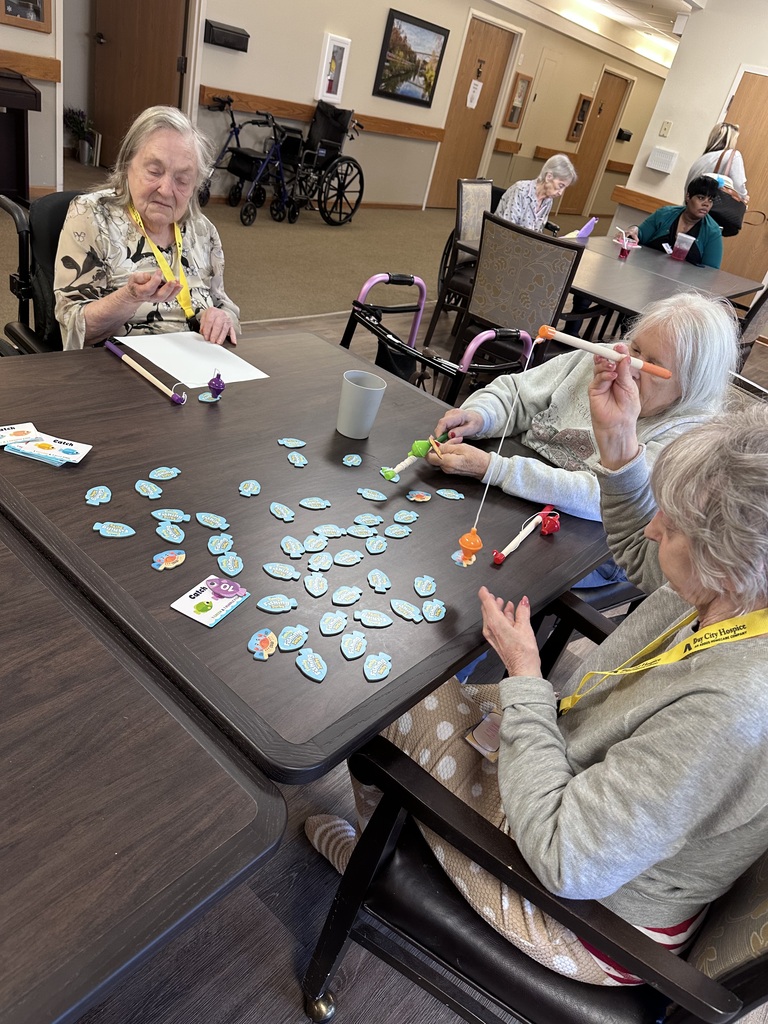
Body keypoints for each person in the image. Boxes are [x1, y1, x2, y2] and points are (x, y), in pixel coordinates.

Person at [305, 356, 768, 987]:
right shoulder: (739, 593)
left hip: (591, 921)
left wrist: (525, 676)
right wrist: (620, 446)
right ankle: (391, 831)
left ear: (731, 563)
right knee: (409, 686)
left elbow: (565, 859)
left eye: (676, 524)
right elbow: (642, 555)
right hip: (585, 785)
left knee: (379, 710)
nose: (655, 526)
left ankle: (368, 855)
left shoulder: (731, 709)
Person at [54, 106, 240, 351]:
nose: (166, 189)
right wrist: (129, 297)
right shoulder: (91, 216)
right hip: (120, 363)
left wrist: (221, 318)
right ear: (126, 166)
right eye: (154, 172)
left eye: (182, 180)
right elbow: (76, 329)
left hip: (195, 360)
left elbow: (224, 305)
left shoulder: (203, 231)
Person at [622, 175, 723, 268]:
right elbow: (639, 234)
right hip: (648, 272)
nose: (706, 204)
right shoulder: (664, 214)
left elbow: (710, 272)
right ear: (688, 197)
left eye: (710, 200)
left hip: (686, 281)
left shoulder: (712, 232)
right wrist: (633, 229)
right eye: (701, 198)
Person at [495, 154, 577, 233]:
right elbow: (507, 229)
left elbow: (538, 231)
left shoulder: (548, 200)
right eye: (561, 185)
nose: (560, 193)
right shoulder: (521, 190)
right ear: (548, 177)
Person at [685, 121, 749, 201]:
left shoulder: (701, 159)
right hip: (710, 207)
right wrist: (744, 196)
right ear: (731, 140)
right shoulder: (733, 155)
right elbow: (739, 188)